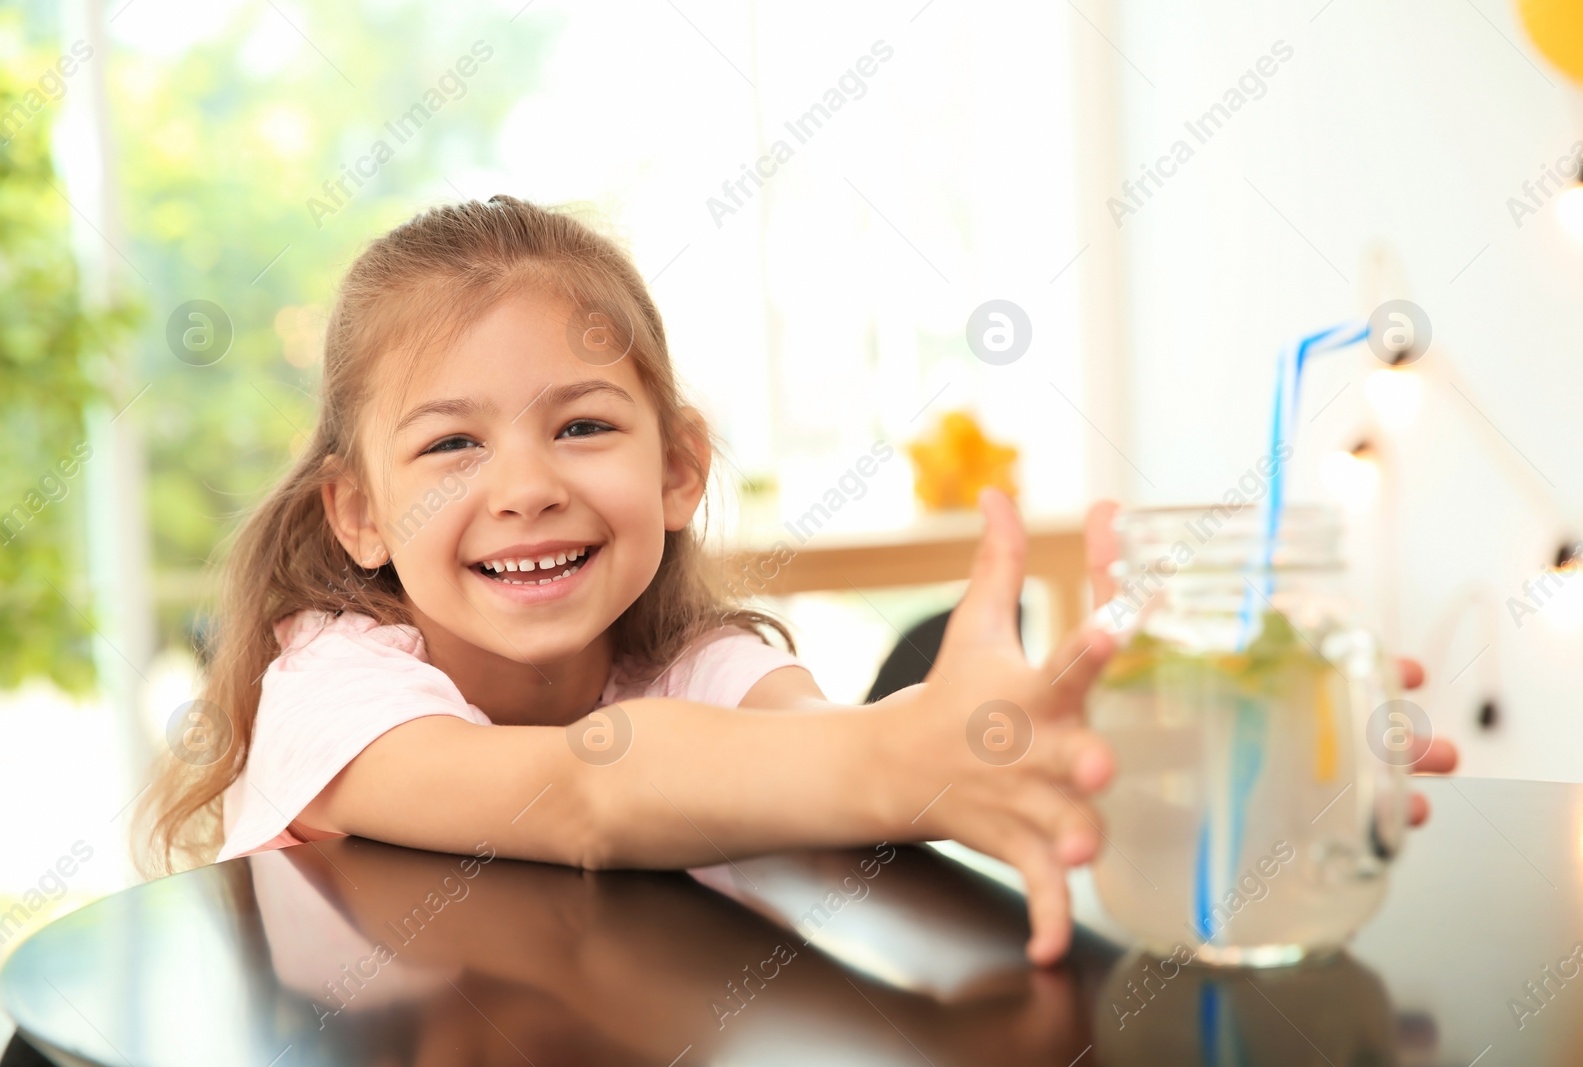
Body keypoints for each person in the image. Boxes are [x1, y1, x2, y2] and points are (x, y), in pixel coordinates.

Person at [138, 195, 1453, 968]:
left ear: (679, 470)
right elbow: (583, 787)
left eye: (584, 426)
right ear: (359, 513)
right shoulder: (335, 684)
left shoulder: (695, 661)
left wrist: (1117, 739)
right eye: (452, 444)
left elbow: (832, 753)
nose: (527, 484)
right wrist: (908, 766)